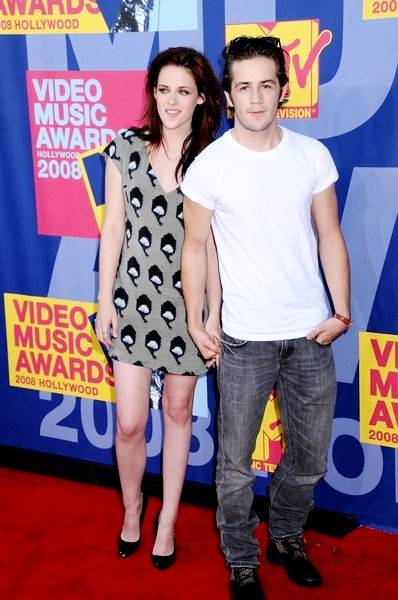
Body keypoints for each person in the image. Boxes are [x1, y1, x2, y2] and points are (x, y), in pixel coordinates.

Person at [181, 36, 351, 600]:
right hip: (242, 340)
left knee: (309, 460)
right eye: (243, 86)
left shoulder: (311, 156)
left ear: (284, 89)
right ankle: (242, 560)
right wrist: (199, 318)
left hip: (309, 334)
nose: (255, 97)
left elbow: (330, 234)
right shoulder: (209, 166)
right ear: (228, 96)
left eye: (266, 84)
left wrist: (341, 310)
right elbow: (197, 248)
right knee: (233, 466)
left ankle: (286, 537)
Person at [95, 46, 222, 569]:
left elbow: (213, 245)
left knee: (176, 413)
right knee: (128, 423)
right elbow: (113, 228)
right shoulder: (124, 147)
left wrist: (212, 315)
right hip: (130, 304)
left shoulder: (214, 159)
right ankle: (133, 508)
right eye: (164, 89)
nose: (172, 101)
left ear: (201, 99)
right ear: (153, 92)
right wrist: (104, 299)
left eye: (184, 92)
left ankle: (167, 520)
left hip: (187, 308)